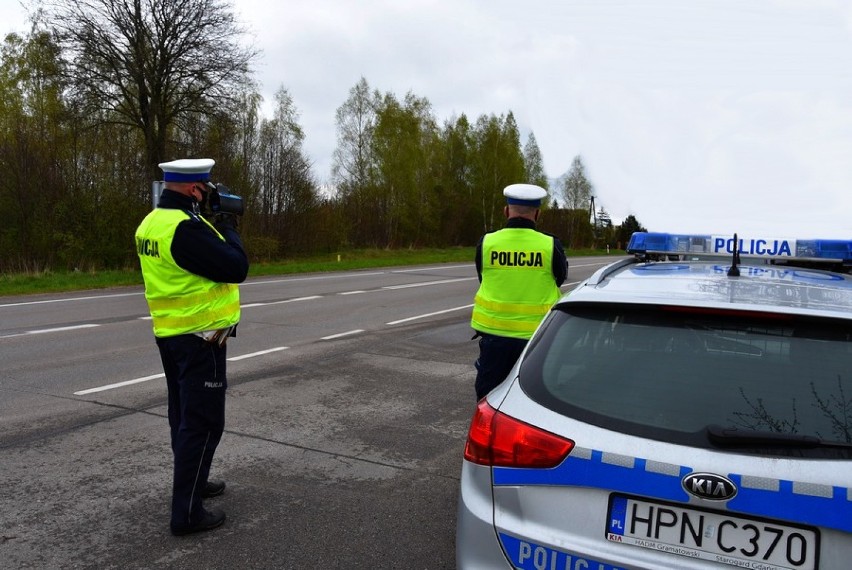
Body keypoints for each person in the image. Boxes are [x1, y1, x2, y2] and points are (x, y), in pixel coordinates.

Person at [135, 158, 249, 536]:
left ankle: (195, 484)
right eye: (206, 187)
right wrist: (230, 227)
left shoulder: (152, 223)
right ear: (193, 189)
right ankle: (186, 514)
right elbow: (236, 267)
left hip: (172, 335)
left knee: (183, 416)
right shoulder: (185, 229)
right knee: (202, 424)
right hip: (201, 338)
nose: (210, 194)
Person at [470, 183, 567, 400]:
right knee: (533, 398)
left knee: (490, 394)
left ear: (506, 211)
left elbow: (483, 277)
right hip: (537, 337)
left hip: (495, 336)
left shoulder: (487, 243)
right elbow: (560, 278)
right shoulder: (550, 245)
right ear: (537, 214)